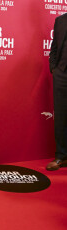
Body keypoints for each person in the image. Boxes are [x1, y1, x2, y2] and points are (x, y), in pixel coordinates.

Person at [47, 13, 67, 171]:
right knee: (60, 116)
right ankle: (61, 156)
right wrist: (54, 68)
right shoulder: (60, 20)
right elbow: (54, 47)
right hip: (61, 74)